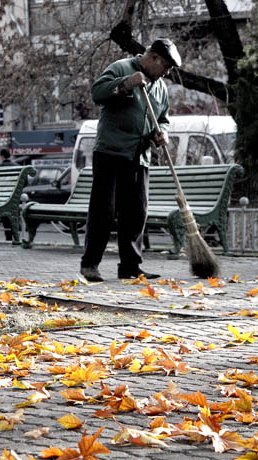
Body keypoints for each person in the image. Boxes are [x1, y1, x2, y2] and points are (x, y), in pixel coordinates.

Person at [80, 38, 182, 282]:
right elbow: (98, 93)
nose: (167, 73)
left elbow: (163, 118)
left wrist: (162, 132)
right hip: (111, 152)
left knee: (136, 213)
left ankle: (130, 267)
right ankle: (90, 265)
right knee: (103, 212)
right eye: (166, 67)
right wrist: (126, 84)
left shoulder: (159, 87)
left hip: (140, 156)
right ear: (154, 57)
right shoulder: (121, 67)